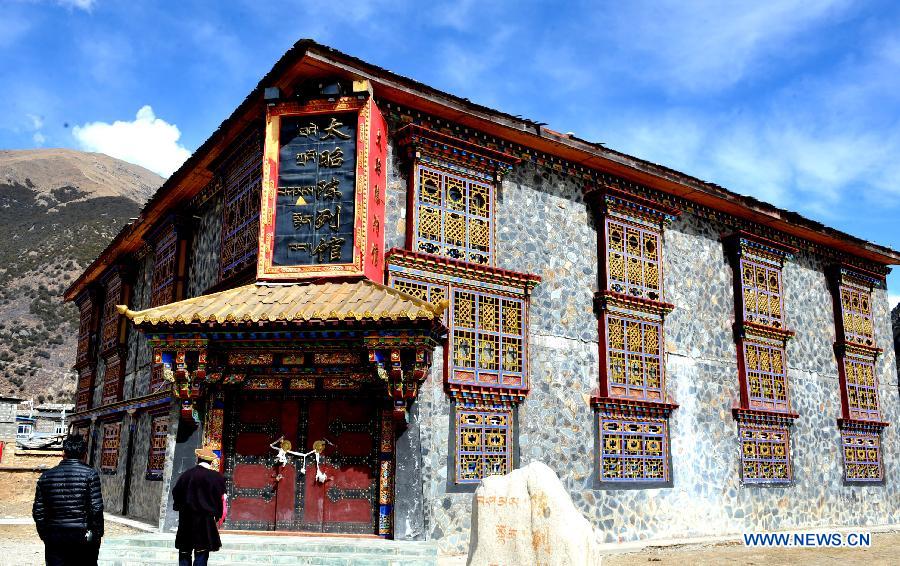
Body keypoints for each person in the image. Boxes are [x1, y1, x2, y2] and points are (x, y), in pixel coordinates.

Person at [32, 433, 104, 566]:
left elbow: (38, 512)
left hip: (55, 535)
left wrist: (45, 535)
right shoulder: (90, 474)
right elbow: (97, 508)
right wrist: (97, 535)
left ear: (63, 453)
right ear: (84, 454)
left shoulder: (46, 476)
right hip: (82, 536)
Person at [172, 445, 226, 566]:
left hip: (186, 518)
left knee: (185, 550)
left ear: (198, 459)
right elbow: (221, 498)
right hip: (205, 520)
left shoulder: (186, 475)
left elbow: (176, 493)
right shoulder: (217, 477)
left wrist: (181, 507)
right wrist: (217, 514)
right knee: (202, 550)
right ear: (211, 461)